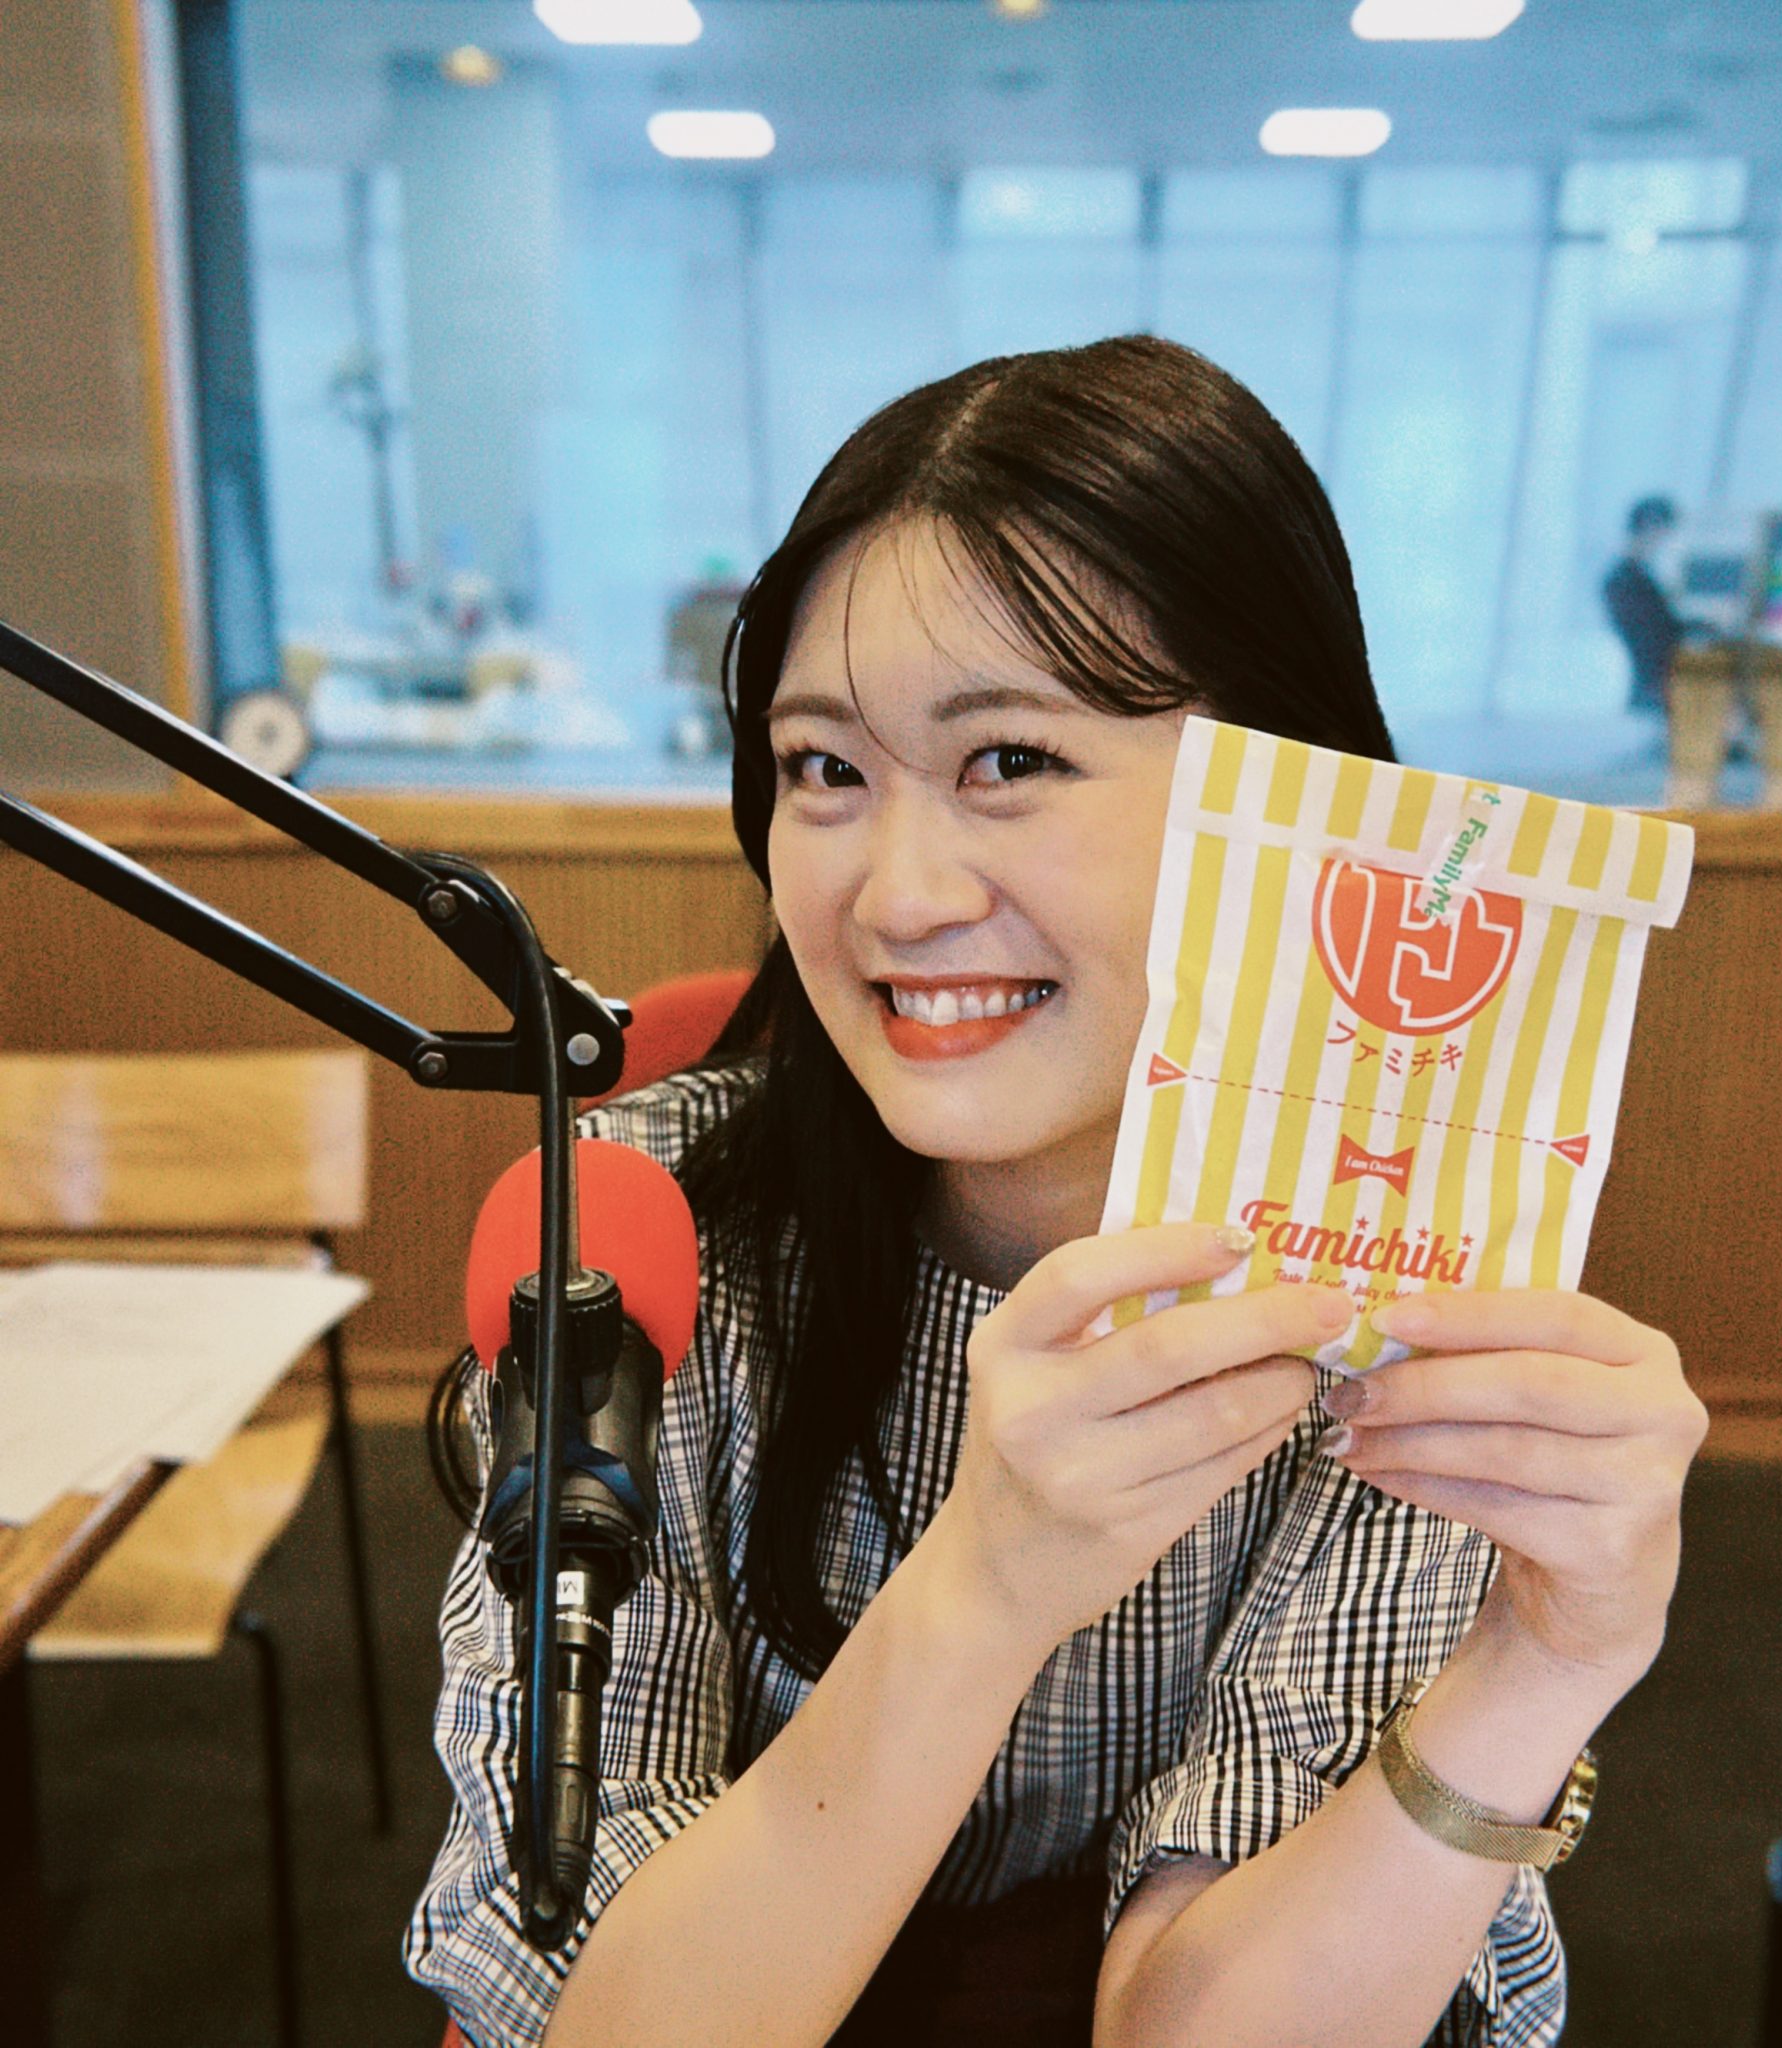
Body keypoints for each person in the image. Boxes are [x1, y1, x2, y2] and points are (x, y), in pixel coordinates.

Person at [406, 336, 1708, 2048]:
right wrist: (989, 1576)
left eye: (1009, 760)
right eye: (823, 769)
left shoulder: (1392, 1282)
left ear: (1292, 803)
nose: (898, 896)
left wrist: (1544, 1667)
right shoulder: (641, 1237)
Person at [1602, 495, 1685, 715]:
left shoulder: (1633, 576)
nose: (1664, 542)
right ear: (1650, 528)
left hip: (1653, 688)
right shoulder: (1627, 581)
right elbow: (1658, 637)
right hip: (1655, 690)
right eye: (1664, 533)